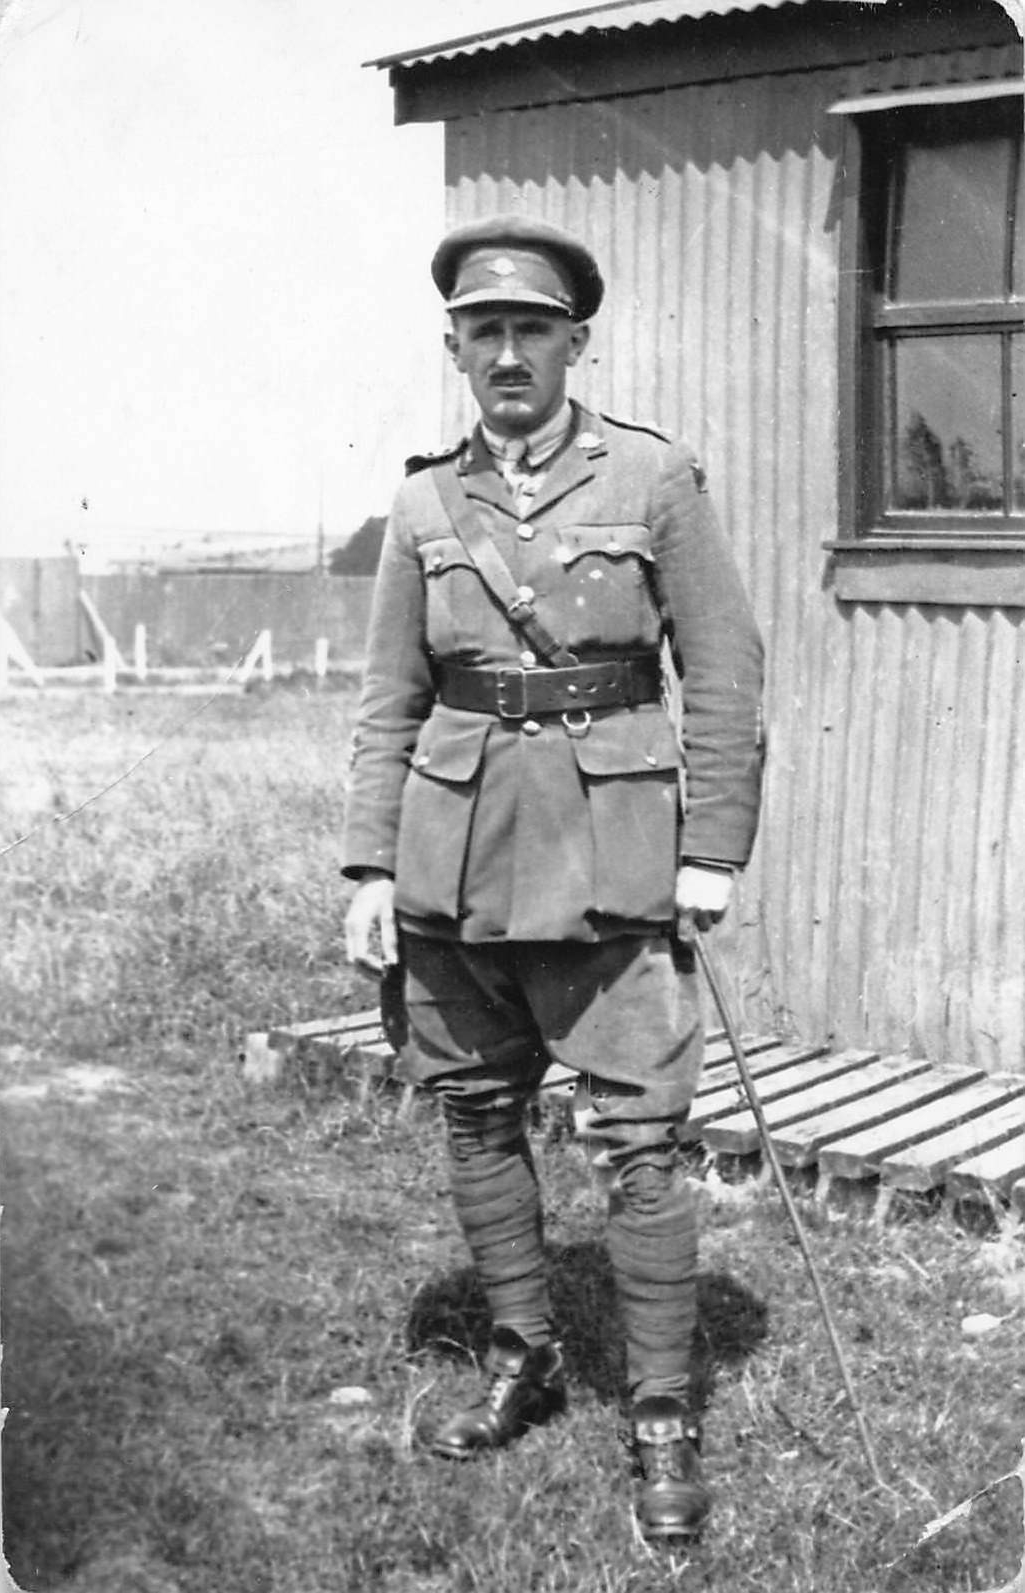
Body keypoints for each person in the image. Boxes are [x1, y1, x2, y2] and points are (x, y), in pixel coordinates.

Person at [342, 214, 764, 1543]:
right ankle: (523, 1352)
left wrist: (709, 851)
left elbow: (726, 664)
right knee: (474, 1113)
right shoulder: (421, 504)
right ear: (454, 348)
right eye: (485, 331)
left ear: (576, 343)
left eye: (532, 329)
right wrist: (366, 864)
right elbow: (387, 697)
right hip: (452, 862)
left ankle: (658, 1413)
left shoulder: (653, 479)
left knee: (639, 1140)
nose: (507, 352)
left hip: (615, 863)